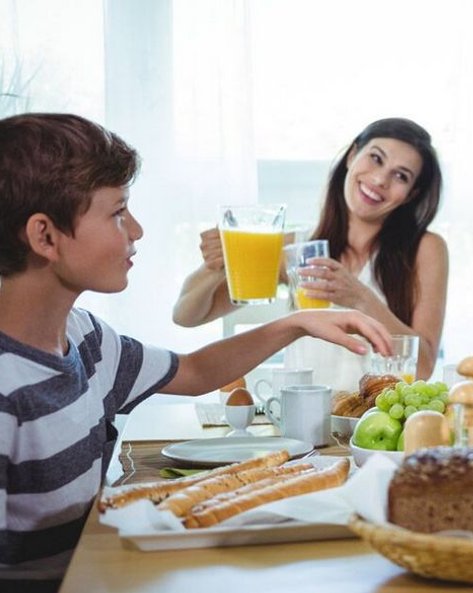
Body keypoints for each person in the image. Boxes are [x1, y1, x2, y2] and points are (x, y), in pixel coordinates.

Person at [0, 113, 392, 591]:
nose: (137, 230)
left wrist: (295, 323)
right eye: (118, 212)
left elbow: (194, 369)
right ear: (45, 236)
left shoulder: (84, 338)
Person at [173, 118, 447, 381]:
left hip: (377, 420)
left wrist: (360, 298)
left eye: (400, 176)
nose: (379, 180)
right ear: (352, 155)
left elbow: (422, 367)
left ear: (411, 194)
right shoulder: (297, 249)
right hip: (302, 415)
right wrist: (218, 265)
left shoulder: (426, 249)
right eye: (375, 158)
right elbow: (186, 316)